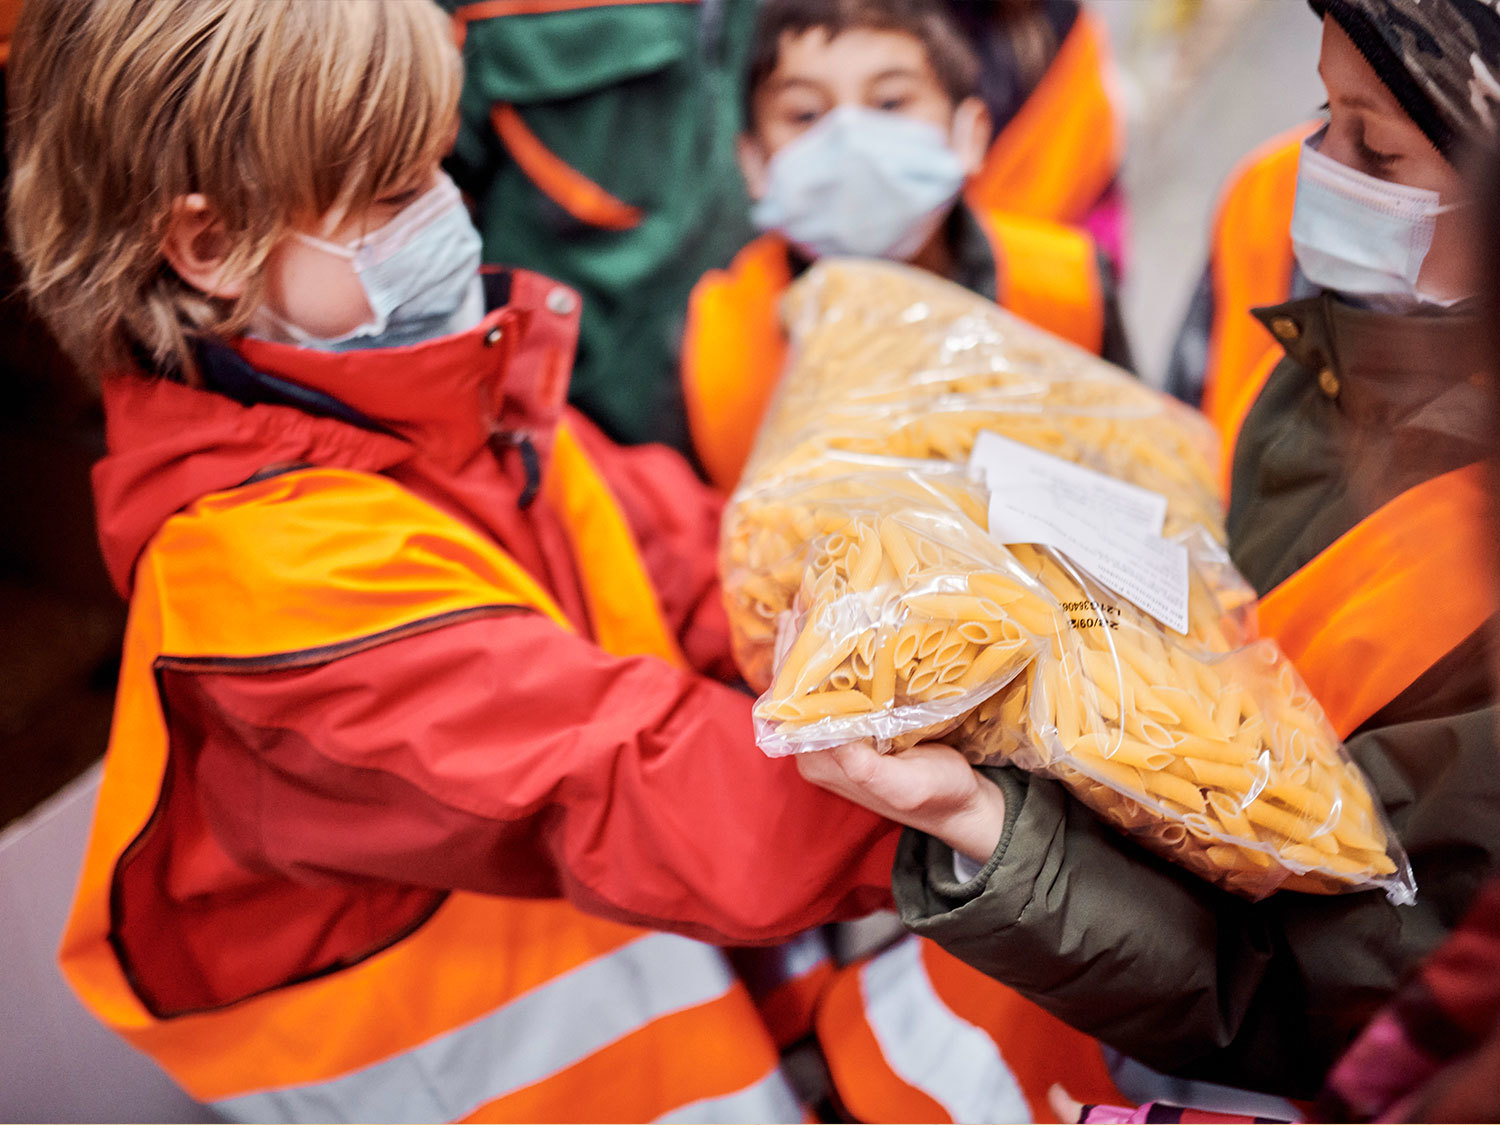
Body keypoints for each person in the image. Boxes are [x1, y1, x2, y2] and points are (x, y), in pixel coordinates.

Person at [4, 1, 914, 1119]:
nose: (447, 216)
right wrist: (980, 810)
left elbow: (683, 552)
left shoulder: (430, 397)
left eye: (438, 168)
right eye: (392, 197)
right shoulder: (258, 580)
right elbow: (620, 779)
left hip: (659, 984)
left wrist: (904, 626)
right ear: (207, 245)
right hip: (496, 1070)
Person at [796, 0, 1500, 1101]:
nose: (1330, 167)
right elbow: (1211, 497)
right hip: (989, 1021)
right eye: (1327, 108)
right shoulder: (1294, 224)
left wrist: (985, 827)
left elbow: (1325, 994)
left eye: (1383, 148)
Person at [682, 0, 1133, 493]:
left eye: (891, 103)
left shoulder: (1065, 283)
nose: (850, 140)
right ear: (752, 161)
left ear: (969, 132)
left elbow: (1150, 463)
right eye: (805, 114)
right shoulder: (717, 347)